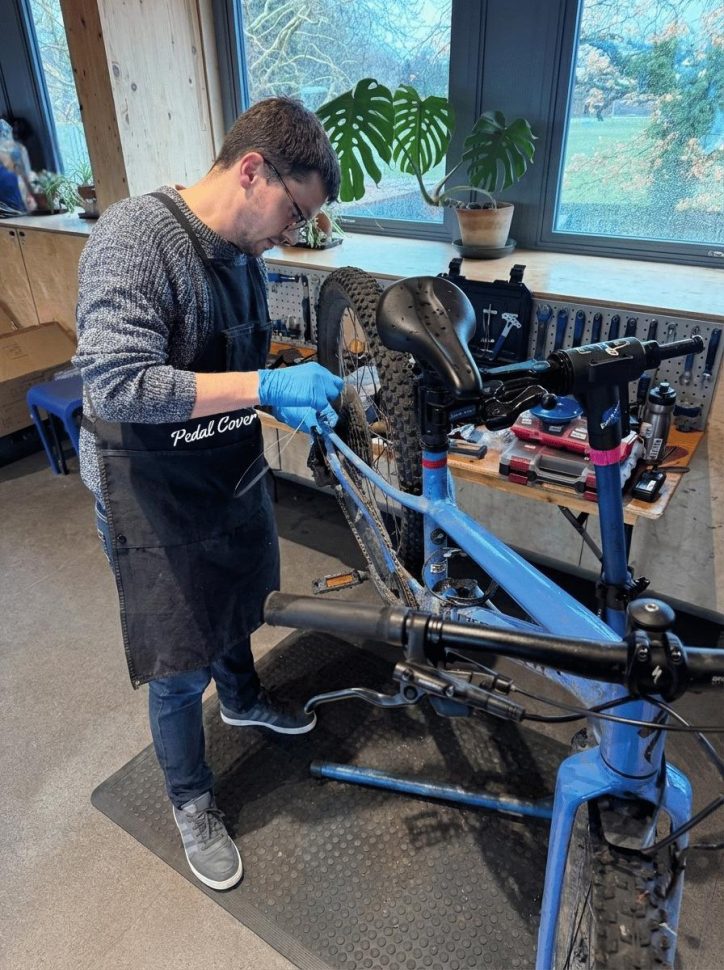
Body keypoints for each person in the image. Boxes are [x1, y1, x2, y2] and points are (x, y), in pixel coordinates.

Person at [73, 97, 343, 892]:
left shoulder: (244, 256)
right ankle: (191, 799)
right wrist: (263, 382)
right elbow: (119, 386)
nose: (291, 234)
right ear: (253, 170)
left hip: (221, 469)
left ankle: (245, 697)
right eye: (293, 212)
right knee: (178, 655)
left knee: (239, 594)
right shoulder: (133, 239)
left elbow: (230, 370)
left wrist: (281, 382)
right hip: (151, 489)